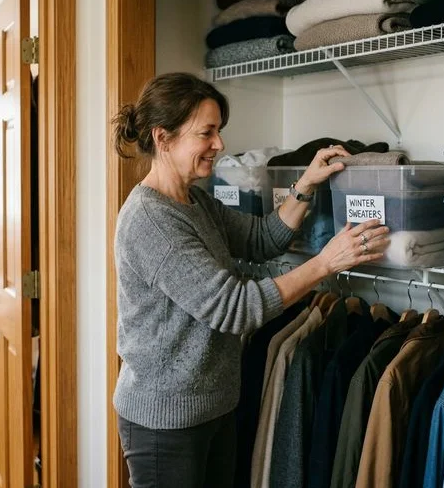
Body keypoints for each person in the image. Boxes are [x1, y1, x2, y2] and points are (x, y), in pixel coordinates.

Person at [111, 72, 390, 488]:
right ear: (163, 138)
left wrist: (306, 184)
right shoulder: (151, 220)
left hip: (214, 405)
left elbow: (261, 239)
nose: (219, 145)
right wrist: (325, 263)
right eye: (207, 132)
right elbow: (234, 308)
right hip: (165, 421)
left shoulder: (195, 201)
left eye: (218, 131)